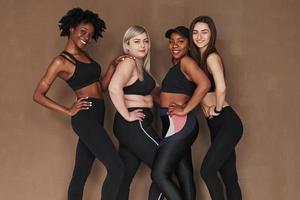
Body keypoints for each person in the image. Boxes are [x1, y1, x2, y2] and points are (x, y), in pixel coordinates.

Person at [32, 7, 125, 200]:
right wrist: (68, 110)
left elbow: (101, 88)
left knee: (80, 174)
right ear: (72, 29)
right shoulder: (61, 61)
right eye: (83, 32)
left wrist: (111, 67)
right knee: (116, 167)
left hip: (97, 116)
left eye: (90, 35)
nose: (86, 38)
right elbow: (38, 95)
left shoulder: (86, 56)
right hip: (85, 117)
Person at [151, 26, 211, 200]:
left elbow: (205, 84)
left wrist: (185, 109)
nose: (174, 45)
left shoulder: (187, 62)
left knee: (159, 175)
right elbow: (167, 100)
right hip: (173, 124)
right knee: (184, 176)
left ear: (189, 44)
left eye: (180, 41)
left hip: (179, 124)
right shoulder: (177, 66)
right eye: (171, 41)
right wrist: (148, 96)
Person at [189, 16, 243, 200]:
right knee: (229, 178)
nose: (199, 36)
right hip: (217, 125)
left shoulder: (211, 57)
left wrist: (218, 109)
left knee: (207, 171)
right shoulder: (197, 59)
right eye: (195, 32)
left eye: (204, 32)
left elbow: (221, 87)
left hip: (227, 121)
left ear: (211, 34)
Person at [108, 25, 164, 200]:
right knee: (165, 166)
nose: (143, 45)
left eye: (146, 41)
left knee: (124, 176)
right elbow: (113, 87)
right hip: (133, 124)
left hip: (134, 126)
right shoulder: (129, 62)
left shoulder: (140, 67)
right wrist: (127, 115)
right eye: (137, 41)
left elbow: (143, 95)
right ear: (127, 45)